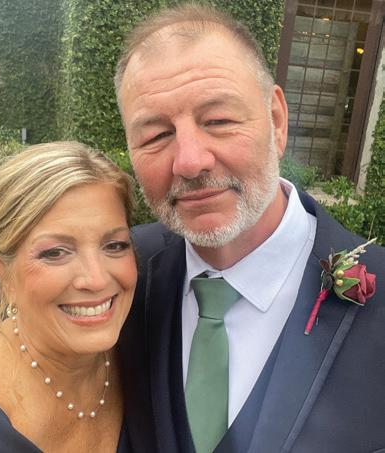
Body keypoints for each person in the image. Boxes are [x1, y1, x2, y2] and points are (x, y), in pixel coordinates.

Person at [115, 3, 385, 453]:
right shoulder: (120, 275)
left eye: (218, 121)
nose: (190, 162)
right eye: (156, 135)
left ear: (276, 120)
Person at [0, 141, 137, 452]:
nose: (96, 279)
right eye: (55, 252)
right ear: (3, 272)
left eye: (115, 245)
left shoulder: (145, 343)